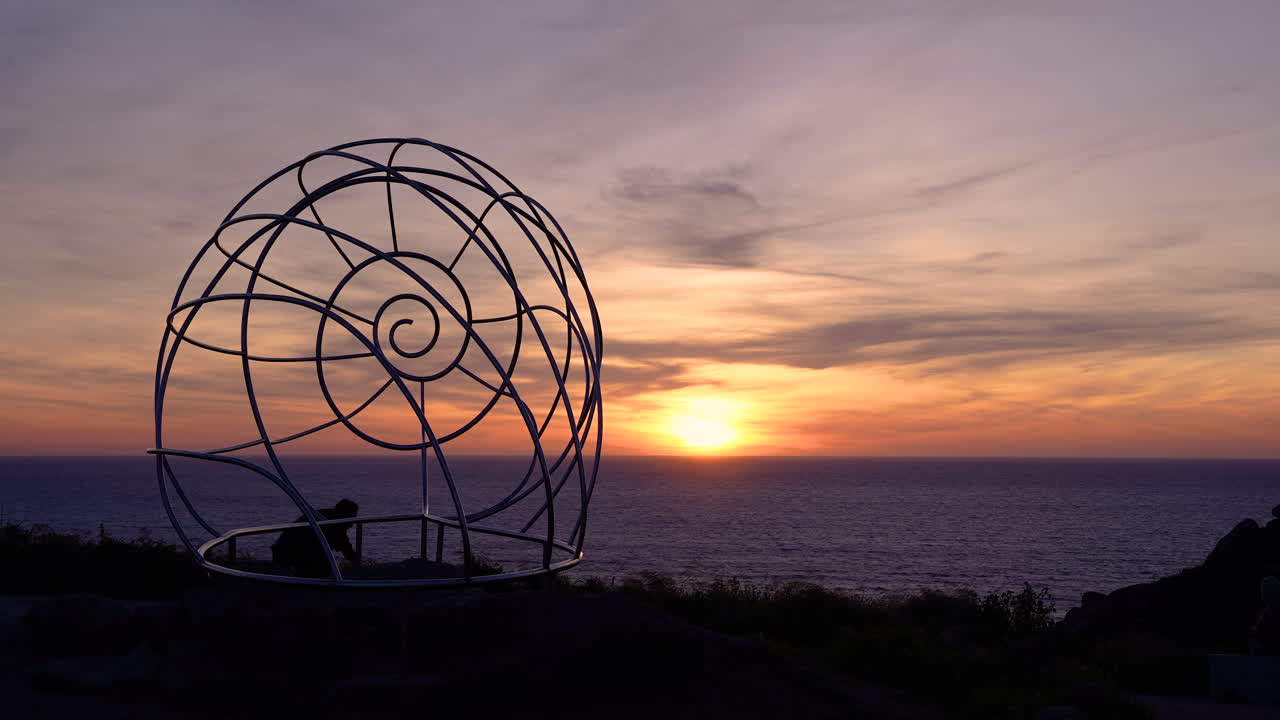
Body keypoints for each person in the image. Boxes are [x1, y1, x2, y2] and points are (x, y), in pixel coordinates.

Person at [270, 498, 361, 577]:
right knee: (327, 569)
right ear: (345, 515)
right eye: (351, 518)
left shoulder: (326, 516)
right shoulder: (334, 524)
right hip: (292, 553)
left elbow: (345, 547)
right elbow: (346, 548)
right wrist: (357, 564)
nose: (352, 524)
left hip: (284, 550)